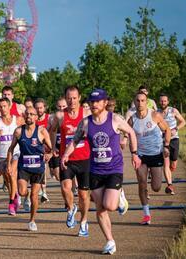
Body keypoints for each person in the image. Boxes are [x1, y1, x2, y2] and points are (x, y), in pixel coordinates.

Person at [62, 88, 140, 254]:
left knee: (110, 205)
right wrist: (66, 155)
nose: (94, 104)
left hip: (114, 169)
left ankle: (120, 196)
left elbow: (131, 132)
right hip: (96, 170)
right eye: (92, 101)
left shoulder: (115, 119)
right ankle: (110, 241)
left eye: (98, 101)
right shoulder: (85, 123)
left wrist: (134, 154)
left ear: (105, 103)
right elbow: (74, 141)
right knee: (100, 208)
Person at [50, 85, 91, 236]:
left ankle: (84, 222)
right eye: (69, 98)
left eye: (74, 98)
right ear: (65, 98)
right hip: (66, 159)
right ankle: (71, 207)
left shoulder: (87, 113)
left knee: (83, 194)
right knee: (66, 188)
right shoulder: (60, 116)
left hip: (84, 158)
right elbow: (52, 130)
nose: (72, 101)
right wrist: (53, 146)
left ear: (79, 98)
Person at [128, 91, 171, 225]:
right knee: (142, 183)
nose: (140, 103)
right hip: (141, 156)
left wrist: (167, 146)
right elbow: (129, 137)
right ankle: (146, 214)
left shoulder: (154, 115)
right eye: (137, 101)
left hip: (156, 153)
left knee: (156, 187)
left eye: (142, 101)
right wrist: (133, 154)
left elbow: (167, 130)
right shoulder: (132, 120)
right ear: (134, 103)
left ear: (146, 102)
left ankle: (153, 184)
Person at [7, 106, 52, 231]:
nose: (29, 116)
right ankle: (24, 197)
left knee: (34, 195)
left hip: (38, 168)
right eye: (27, 114)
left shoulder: (42, 131)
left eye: (32, 114)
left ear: (36, 117)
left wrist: (49, 154)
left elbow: (51, 148)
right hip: (24, 167)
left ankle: (32, 220)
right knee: (21, 191)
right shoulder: (18, 131)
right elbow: (11, 148)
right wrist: (8, 164)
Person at [0, 97, 24, 215]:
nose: (3, 109)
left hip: (15, 152)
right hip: (2, 155)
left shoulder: (18, 120)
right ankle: (15, 196)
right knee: (8, 180)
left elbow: (26, 132)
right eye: (0, 107)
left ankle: (11, 204)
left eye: (5, 106)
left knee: (11, 174)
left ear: (9, 106)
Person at [158, 93, 186, 195]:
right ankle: (170, 185)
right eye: (161, 101)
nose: (163, 103)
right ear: (159, 102)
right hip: (163, 141)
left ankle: (170, 171)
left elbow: (183, 122)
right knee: (166, 163)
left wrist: (176, 129)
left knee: (173, 163)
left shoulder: (173, 111)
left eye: (165, 101)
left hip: (174, 139)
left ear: (168, 102)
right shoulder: (157, 113)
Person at [34, 98, 50, 204]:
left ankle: (44, 191)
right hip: (35, 149)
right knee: (38, 170)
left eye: (41, 108)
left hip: (46, 149)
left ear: (45, 108)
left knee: (44, 169)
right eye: (37, 108)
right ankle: (42, 191)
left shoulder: (50, 119)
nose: (39, 110)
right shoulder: (32, 119)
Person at [47, 97, 67, 181]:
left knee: (68, 171)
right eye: (59, 106)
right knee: (58, 175)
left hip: (67, 147)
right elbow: (48, 132)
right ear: (56, 106)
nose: (61, 108)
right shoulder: (52, 117)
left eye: (63, 106)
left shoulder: (70, 115)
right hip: (56, 148)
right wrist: (52, 147)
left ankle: (74, 188)